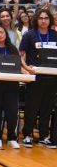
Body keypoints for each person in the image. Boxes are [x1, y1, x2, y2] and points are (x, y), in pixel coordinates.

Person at [0, 25, 28, 149]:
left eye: (1, 32)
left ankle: (12, 137)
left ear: (5, 34)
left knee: (12, 111)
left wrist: (27, 73)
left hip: (11, 84)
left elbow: (19, 66)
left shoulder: (12, 48)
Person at [18, 8, 57, 148]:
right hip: (35, 77)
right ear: (36, 20)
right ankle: (28, 134)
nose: (44, 20)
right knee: (32, 106)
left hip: (52, 77)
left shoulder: (55, 35)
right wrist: (27, 69)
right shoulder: (29, 35)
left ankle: (43, 135)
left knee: (47, 107)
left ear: (50, 20)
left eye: (46, 18)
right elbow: (21, 54)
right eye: (41, 18)